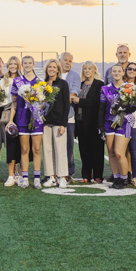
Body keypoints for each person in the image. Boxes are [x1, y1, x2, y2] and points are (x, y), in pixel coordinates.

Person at [8, 55, 43, 189]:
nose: (27, 65)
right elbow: (14, 103)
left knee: (37, 149)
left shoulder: (40, 82)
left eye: (30, 63)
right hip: (22, 118)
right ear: (22, 65)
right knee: (24, 149)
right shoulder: (17, 81)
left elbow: (44, 103)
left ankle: (37, 179)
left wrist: (40, 105)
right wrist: (11, 120)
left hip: (36, 119)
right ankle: (25, 178)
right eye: (25, 63)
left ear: (33, 64)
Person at [72, 62, 104, 183]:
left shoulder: (99, 84)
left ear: (94, 70)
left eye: (89, 68)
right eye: (85, 68)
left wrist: (80, 101)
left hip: (94, 122)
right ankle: (86, 175)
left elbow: (96, 102)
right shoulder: (80, 84)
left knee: (96, 150)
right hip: (80, 122)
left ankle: (98, 176)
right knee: (84, 150)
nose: (87, 70)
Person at [41, 59, 71, 188]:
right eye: (49, 67)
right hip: (45, 122)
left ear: (58, 69)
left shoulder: (63, 84)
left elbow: (66, 105)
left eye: (54, 67)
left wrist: (64, 124)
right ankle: (51, 176)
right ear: (47, 69)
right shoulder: (41, 84)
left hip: (59, 122)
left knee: (60, 150)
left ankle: (62, 177)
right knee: (47, 150)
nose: (51, 69)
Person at [100, 64, 128, 186]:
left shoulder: (128, 87)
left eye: (119, 71)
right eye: (114, 71)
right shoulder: (105, 88)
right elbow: (101, 108)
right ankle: (116, 177)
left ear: (123, 72)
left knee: (119, 152)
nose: (116, 73)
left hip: (124, 122)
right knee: (111, 152)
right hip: (108, 122)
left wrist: (123, 108)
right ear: (111, 73)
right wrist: (100, 125)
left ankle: (124, 178)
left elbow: (134, 107)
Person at [60, 52, 82, 180]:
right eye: (65, 60)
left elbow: (73, 95)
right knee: (54, 146)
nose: (68, 62)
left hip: (69, 116)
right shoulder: (54, 74)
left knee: (69, 146)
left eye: (70, 61)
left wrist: (58, 102)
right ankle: (53, 172)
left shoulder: (75, 76)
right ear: (60, 60)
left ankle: (69, 172)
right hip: (54, 117)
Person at [0, 56, 21, 185]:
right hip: (9, 114)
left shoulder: (23, 79)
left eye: (15, 64)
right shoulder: (4, 81)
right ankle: (11, 175)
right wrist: (11, 101)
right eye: (10, 64)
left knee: (21, 145)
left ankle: (18, 173)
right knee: (10, 144)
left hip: (23, 114)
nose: (13, 66)